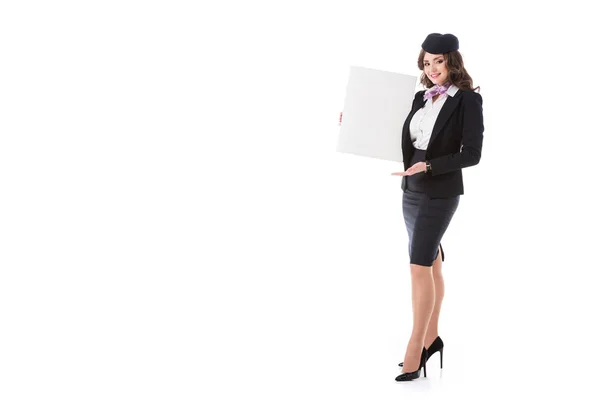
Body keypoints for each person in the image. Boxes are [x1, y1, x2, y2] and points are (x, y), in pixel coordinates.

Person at [390, 33, 484, 382]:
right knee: (430, 262)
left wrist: (429, 167)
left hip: (439, 190)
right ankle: (432, 338)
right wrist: (353, 124)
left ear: (452, 62)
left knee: (418, 266)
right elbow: (403, 137)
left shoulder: (468, 101)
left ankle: (416, 347)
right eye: (426, 63)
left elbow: (472, 154)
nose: (431, 69)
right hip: (411, 188)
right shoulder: (419, 97)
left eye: (438, 62)